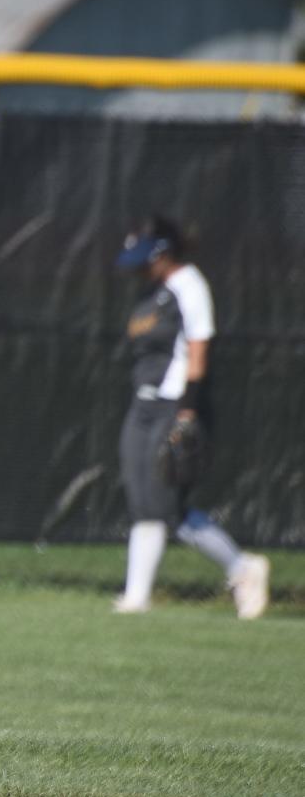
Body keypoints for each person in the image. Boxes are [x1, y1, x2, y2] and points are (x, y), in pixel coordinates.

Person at [112, 215, 269, 619]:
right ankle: (141, 596)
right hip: (142, 404)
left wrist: (187, 412)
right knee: (146, 502)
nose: (142, 268)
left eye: (148, 259)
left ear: (164, 253)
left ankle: (239, 568)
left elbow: (198, 351)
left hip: (173, 404)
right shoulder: (153, 291)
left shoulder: (190, 286)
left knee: (164, 506)